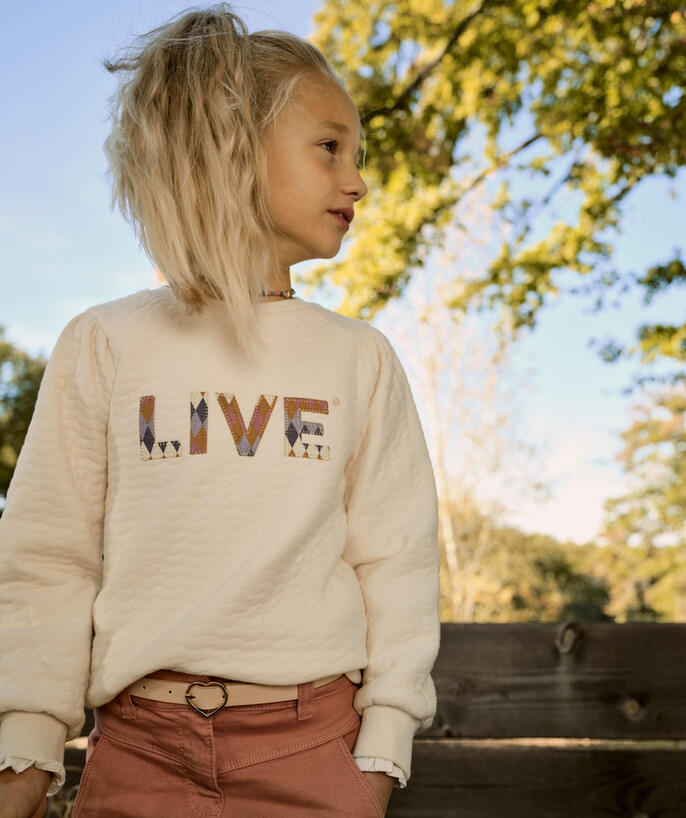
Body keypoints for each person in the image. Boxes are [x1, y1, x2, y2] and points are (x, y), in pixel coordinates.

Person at [0, 5, 440, 816]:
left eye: (360, 154)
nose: (358, 179)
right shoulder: (104, 342)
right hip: (137, 752)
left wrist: (381, 750)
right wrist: (26, 742)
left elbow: (398, 561)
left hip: (317, 751)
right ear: (233, 143)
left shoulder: (359, 357)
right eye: (330, 145)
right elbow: (49, 556)